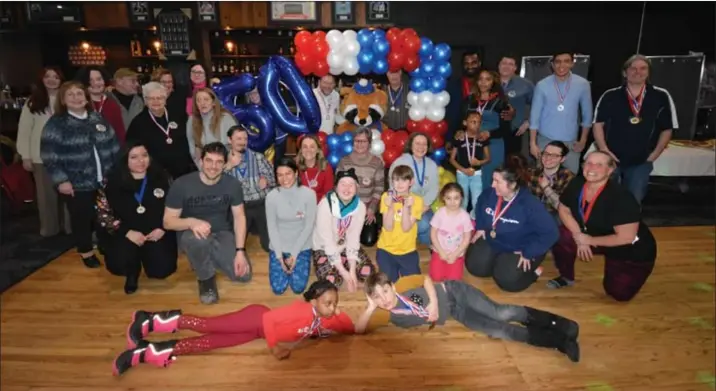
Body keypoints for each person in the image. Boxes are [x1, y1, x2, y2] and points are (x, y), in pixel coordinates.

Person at [112, 280, 355, 376]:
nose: (332, 307)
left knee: (208, 343)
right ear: (313, 301)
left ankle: (146, 353)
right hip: (257, 319)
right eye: (328, 303)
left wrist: (342, 312)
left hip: (255, 332)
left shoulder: (326, 317)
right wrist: (274, 349)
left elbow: (353, 329)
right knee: (209, 326)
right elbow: (270, 321)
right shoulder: (300, 309)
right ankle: (148, 319)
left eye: (335, 303)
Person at [354, 273, 580, 363]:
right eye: (377, 297)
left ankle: (561, 324)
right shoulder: (386, 315)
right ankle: (559, 342)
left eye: (385, 291)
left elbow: (425, 278)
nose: (384, 299)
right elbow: (358, 331)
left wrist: (432, 301)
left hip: (454, 291)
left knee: (499, 312)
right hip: (455, 312)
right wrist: (370, 307)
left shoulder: (402, 285)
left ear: (391, 286)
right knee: (498, 330)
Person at [549, 151, 657, 302]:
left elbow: (626, 237)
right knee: (562, 235)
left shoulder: (622, 198)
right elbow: (563, 209)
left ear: (610, 170)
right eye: (588, 163)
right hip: (593, 236)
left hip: (629, 249)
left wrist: (589, 241)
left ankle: (633, 270)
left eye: (599, 165)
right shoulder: (577, 183)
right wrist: (579, 236)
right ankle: (567, 277)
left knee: (618, 294)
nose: (592, 167)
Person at [40, 81, 120, 268]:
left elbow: (114, 145)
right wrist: (61, 181)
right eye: (71, 95)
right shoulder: (57, 124)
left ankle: (105, 245)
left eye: (79, 93)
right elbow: (49, 156)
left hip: (104, 180)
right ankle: (86, 252)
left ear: (86, 97)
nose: (76, 98)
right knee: (82, 219)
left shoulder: (97, 119)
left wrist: (117, 173)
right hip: (76, 183)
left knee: (105, 216)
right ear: (63, 100)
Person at [163, 142, 252, 305]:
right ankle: (206, 278)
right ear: (201, 161)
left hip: (221, 233)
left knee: (243, 276)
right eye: (209, 160)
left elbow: (239, 217)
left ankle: (202, 256)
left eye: (219, 162)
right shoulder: (181, 185)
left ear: (225, 164)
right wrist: (191, 222)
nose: (213, 166)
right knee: (199, 241)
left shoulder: (232, 184)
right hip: (192, 234)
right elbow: (168, 222)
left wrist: (240, 251)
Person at [465, 156, 559, 293]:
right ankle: (500, 262)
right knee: (475, 267)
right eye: (493, 180)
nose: (492, 185)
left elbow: (552, 233)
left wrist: (529, 252)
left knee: (508, 282)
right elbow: (480, 205)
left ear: (513, 184)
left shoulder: (530, 204)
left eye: (497, 182)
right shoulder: (490, 194)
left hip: (520, 247)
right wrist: (480, 227)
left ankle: (534, 272)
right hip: (495, 239)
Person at [592, 54, 677, 204]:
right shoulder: (610, 95)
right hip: (611, 159)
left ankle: (627, 227)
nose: (638, 72)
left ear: (648, 72)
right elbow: (598, 124)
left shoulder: (661, 96)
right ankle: (606, 228)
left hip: (641, 161)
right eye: (633, 68)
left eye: (643, 68)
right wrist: (604, 150)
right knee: (605, 199)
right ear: (625, 72)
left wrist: (654, 155)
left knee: (633, 201)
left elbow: (667, 129)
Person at [104, 141, 177, 294]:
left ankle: (148, 256)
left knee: (162, 270)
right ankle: (133, 270)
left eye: (144, 155)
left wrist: (162, 228)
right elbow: (103, 214)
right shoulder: (111, 181)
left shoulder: (163, 176)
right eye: (134, 157)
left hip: (155, 232)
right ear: (125, 159)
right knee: (119, 265)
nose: (141, 161)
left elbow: (176, 206)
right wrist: (126, 232)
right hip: (126, 233)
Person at [16, 67, 72, 237]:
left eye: (56, 77)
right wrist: (25, 155)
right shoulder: (33, 102)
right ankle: (50, 229)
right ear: (41, 79)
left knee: (69, 195)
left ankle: (70, 227)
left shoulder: (67, 99)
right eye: (48, 77)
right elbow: (24, 130)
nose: (51, 80)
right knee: (46, 196)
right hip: (40, 157)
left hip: (66, 155)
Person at [529, 52, 593, 174]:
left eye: (566, 61)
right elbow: (534, 116)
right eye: (558, 62)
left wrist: (583, 140)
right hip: (545, 140)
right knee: (542, 180)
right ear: (552, 64)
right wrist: (533, 143)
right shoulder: (542, 85)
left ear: (572, 63)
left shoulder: (582, 84)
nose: (561, 65)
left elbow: (587, 114)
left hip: (571, 143)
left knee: (570, 180)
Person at [313, 168, 376, 292]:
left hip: (345, 245)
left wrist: (352, 270)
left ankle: (345, 261)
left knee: (368, 273)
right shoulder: (325, 205)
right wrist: (344, 273)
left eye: (351, 184)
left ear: (357, 188)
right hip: (324, 247)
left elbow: (353, 237)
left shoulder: (360, 206)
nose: (347, 188)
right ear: (336, 187)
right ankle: (339, 264)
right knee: (331, 282)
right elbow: (327, 241)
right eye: (343, 184)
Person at [265, 157, 317, 295]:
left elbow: (308, 227)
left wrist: (294, 254)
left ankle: (300, 263)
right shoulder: (271, 197)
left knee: (298, 288)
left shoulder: (309, 194)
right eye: (280, 175)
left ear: (296, 173)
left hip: (302, 246)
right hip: (279, 246)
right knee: (278, 288)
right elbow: (272, 228)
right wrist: (279, 257)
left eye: (288, 173)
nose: (284, 178)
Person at [125, 82, 194, 180]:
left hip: (183, 172)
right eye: (151, 98)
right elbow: (131, 149)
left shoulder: (178, 115)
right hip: (155, 175)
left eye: (159, 98)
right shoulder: (138, 123)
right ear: (145, 101)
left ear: (165, 99)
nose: (156, 101)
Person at [458, 69, 513, 191]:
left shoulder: (501, 102)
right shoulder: (469, 101)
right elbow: (461, 123)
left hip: (494, 145)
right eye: (480, 79)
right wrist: (461, 132)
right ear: (476, 81)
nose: (483, 83)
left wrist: (489, 133)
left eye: (488, 79)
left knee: (492, 179)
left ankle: (491, 207)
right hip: (472, 144)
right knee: (471, 181)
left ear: (494, 82)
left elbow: (506, 129)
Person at [224, 124, 275, 252]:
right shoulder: (222, 160)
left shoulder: (258, 157)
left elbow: (275, 179)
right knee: (233, 246)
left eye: (245, 139)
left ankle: (257, 228)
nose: (242, 142)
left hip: (260, 203)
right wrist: (229, 165)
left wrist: (267, 181)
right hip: (238, 206)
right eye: (238, 139)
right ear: (229, 140)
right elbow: (215, 183)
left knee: (269, 246)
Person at [335, 128, 385, 246]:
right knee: (341, 240)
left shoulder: (377, 162)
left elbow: (379, 187)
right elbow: (337, 186)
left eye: (363, 141)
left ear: (369, 143)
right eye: (357, 141)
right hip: (347, 207)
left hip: (367, 208)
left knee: (368, 241)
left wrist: (372, 208)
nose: (360, 144)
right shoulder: (344, 161)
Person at [376, 165, 424, 283]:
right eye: (396, 179)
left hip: (407, 250)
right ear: (392, 181)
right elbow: (387, 227)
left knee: (414, 286)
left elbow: (406, 228)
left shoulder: (417, 201)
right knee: (389, 284)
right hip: (386, 249)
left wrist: (407, 208)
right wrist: (391, 206)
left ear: (411, 182)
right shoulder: (386, 197)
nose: (399, 183)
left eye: (404, 180)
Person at [388, 132, 438, 245]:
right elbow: (394, 188)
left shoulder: (432, 165)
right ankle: (404, 238)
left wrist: (422, 207)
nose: (421, 147)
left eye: (424, 144)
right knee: (422, 224)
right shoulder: (399, 163)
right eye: (417, 143)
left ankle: (414, 238)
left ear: (428, 146)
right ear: (410, 145)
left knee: (428, 227)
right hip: (402, 205)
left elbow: (434, 189)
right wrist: (407, 209)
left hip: (423, 206)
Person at [449, 111, 490, 218]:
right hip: (462, 173)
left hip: (476, 174)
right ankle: (461, 221)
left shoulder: (482, 138)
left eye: (479, 122)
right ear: (465, 122)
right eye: (473, 122)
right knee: (463, 199)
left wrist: (479, 162)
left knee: (477, 199)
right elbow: (452, 159)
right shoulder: (459, 138)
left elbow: (488, 158)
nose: (476, 125)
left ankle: (475, 222)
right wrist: (463, 170)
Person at [429, 183, 474, 282]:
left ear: (461, 198)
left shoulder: (465, 216)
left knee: (453, 280)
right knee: (436, 277)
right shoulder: (440, 213)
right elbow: (433, 234)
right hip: (439, 252)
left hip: (457, 254)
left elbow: (467, 238)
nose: (452, 202)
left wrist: (455, 254)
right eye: (448, 198)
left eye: (456, 198)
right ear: (443, 198)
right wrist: (441, 251)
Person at [75, 66, 126, 145]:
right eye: (90, 80)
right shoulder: (78, 106)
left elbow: (120, 134)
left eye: (99, 79)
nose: (95, 83)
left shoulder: (112, 105)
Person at [186, 87, 237, 165]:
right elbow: (192, 149)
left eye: (206, 99)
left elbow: (236, 145)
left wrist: (227, 165)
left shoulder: (226, 117)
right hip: (205, 166)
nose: (202, 103)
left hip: (227, 164)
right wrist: (202, 167)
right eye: (198, 100)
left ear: (213, 102)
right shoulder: (192, 120)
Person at [526, 141, 575, 221]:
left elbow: (561, 207)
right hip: (531, 212)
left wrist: (546, 187)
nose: (548, 158)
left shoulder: (568, 177)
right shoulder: (532, 172)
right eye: (546, 153)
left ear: (562, 159)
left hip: (555, 215)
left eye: (555, 156)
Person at [498, 54, 535, 156]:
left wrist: (529, 122)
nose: (506, 66)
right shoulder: (489, 82)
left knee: (513, 163)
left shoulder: (525, 84)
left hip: (515, 131)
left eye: (510, 64)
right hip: (492, 131)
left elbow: (538, 105)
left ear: (515, 68)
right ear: (499, 65)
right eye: (504, 63)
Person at [246, 87, 287, 166]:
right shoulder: (249, 109)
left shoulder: (273, 105)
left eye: (256, 92)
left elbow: (282, 129)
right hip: (257, 146)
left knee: (276, 169)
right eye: (251, 93)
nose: (253, 95)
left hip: (276, 145)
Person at [297, 134, 334, 203]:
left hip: (320, 207)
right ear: (301, 150)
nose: (308, 150)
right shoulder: (294, 167)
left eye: (312, 147)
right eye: (305, 147)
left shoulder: (326, 168)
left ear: (318, 150)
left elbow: (328, 194)